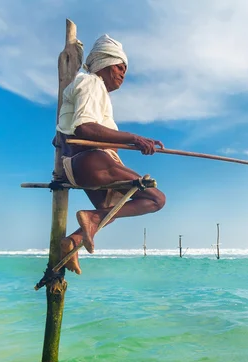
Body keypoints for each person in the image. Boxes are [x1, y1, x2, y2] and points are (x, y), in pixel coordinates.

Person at [54, 34, 166, 275]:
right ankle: (90, 220)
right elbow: (85, 127)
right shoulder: (92, 82)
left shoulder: (91, 89)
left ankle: (71, 242)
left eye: (125, 69)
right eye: (119, 66)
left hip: (81, 167)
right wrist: (135, 138)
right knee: (157, 199)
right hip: (91, 162)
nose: (123, 73)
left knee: (112, 211)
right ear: (103, 63)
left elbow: (62, 135)